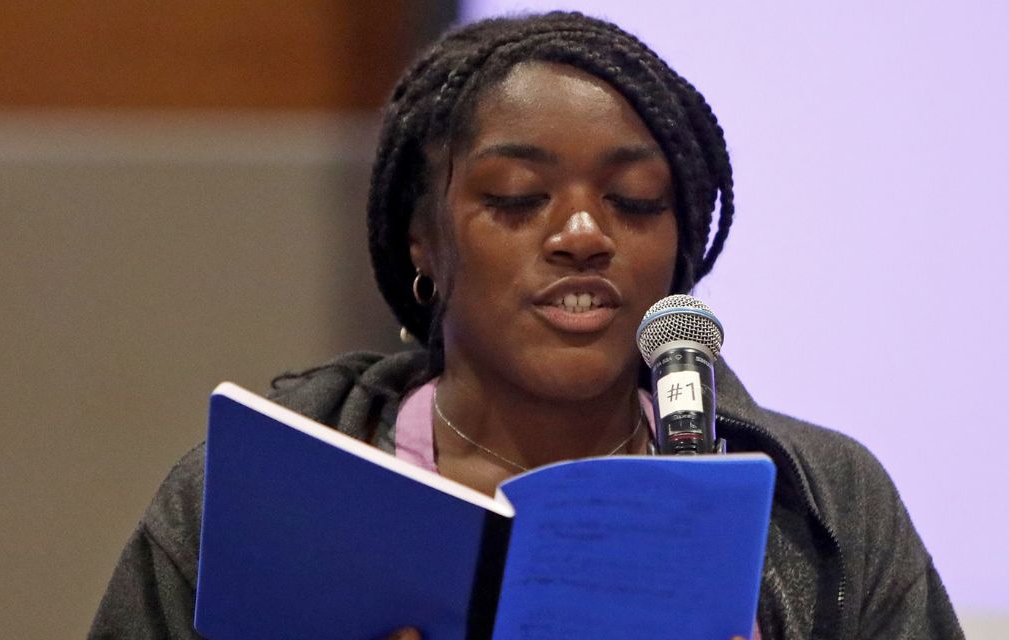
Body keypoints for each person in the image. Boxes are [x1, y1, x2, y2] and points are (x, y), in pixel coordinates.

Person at [89, 11, 963, 640]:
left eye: (634, 200)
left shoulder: (829, 507)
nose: (583, 234)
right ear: (423, 239)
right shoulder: (253, 491)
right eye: (517, 198)